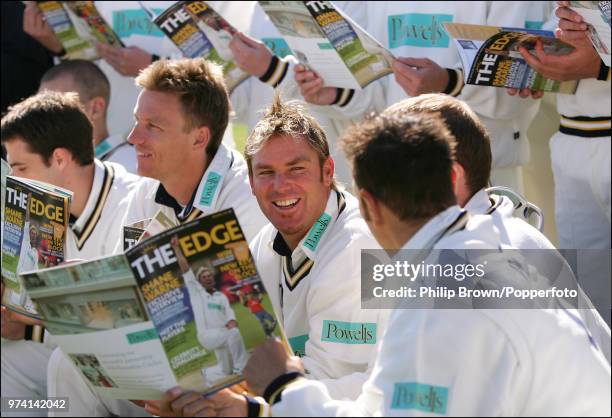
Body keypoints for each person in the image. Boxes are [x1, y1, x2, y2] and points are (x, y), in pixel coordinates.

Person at [47, 57, 266, 417]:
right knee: (67, 364)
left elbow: (244, 327)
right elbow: (128, 289)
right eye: (136, 122)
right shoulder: (145, 192)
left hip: (225, 378)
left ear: (199, 137)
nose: (134, 138)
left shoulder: (246, 199)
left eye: (153, 126)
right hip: (158, 364)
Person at [148, 94, 386, 417]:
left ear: (327, 171)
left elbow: (339, 387)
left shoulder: (353, 247)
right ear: (251, 181)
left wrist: (247, 409)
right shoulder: (265, 242)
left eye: (296, 169)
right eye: (265, 173)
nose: (280, 185)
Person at [1, 91, 156, 415]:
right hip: (66, 357)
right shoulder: (38, 207)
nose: (13, 180)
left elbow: (136, 329)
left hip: (143, 378)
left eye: (20, 167)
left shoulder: (138, 202)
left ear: (59, 159)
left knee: (65, 366)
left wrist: (33, 326)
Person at [293, 1, 553, 193]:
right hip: (392, 170)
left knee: (476, 269)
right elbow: (379, 89)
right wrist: (339, 92)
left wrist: (449, 83)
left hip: (477, 176)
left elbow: (519, 88)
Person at [509, 2, 611, 324]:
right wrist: (537, 66)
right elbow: (567, 26)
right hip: (573, 139)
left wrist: (601, 67)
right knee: (589, 308)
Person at [39, 60, 138, 173]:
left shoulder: (132, 166)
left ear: (95, 109)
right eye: (40, 109)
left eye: (55, 107)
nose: (44, 119)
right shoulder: (50, 170)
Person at [171, 235, 248, 380]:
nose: (208, 277)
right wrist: (176, 248)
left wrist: (231, 320)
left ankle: (208, 374)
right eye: (204, 276)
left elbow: (229, 312)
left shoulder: (220, 296)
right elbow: (185, 269)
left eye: (209, 275)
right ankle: (242, 368)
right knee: (234, 334)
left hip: (221, 334)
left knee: (226, 371)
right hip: (207, 335)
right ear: (199, 281)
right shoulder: (196, 293)